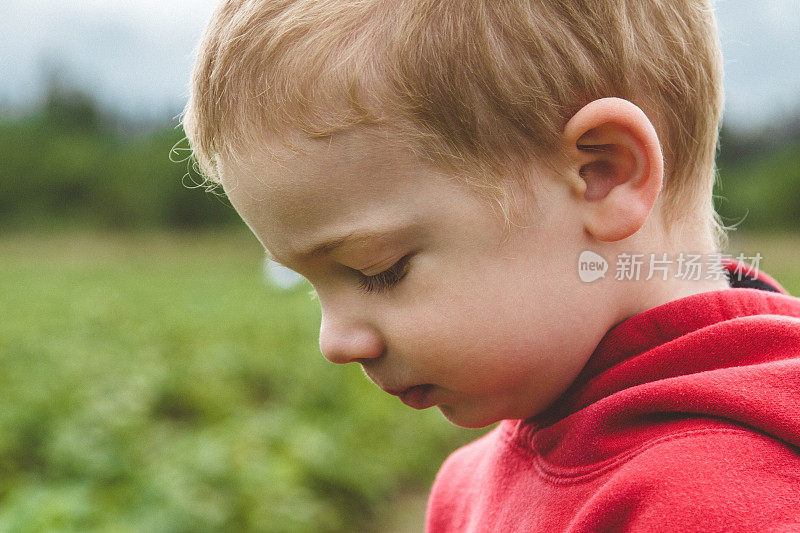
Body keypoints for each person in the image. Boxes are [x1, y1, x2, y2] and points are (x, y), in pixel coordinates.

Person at [181, 1, 800, 530]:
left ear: (601, 174)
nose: (336, 342)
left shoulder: (719, 501)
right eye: (312, 286)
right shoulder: (471, 481)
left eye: (380, 269)